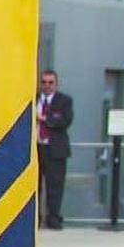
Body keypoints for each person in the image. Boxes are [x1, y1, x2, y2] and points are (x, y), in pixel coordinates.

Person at [35, 70, 73, 229]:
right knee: (35, 187)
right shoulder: (34, 99)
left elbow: (64, 120)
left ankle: (54, 218)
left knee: (55, 187)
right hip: (36, 149)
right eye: (44, 82)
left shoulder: (64, 100)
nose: (47, 85)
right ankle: (35, 220)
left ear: (56, 84)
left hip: (55, 150)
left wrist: (43, 118)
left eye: (50, 82)